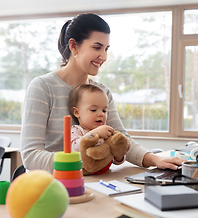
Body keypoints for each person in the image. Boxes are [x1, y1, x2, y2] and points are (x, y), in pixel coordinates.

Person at [20, 13, 185, 173]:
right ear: (73, 46)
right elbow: (31, 155)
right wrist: (79, 162)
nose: (104, 56)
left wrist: (155, 159)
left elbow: (122, 140)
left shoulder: (102, 92)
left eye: (106, 49)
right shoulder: (42, 87)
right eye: (97, 47)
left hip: (93, 182)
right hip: (52, 185)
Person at [69, 84, 126, 174]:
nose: (101, 114)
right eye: (93, 110)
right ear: (77, 112)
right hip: (83, 177)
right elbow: (74, 148)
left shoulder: (106, 131)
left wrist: (120, 154)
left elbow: (115, 159)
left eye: (104, 110)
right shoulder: (76, 130)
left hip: (105, 176)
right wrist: (96, 133)